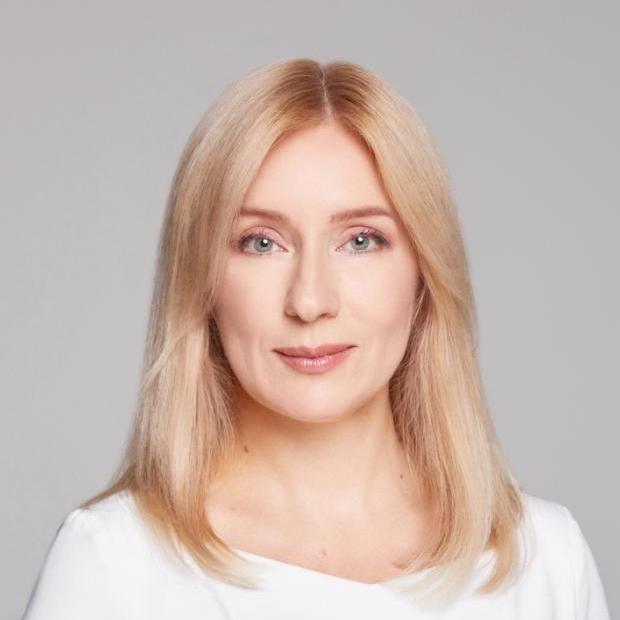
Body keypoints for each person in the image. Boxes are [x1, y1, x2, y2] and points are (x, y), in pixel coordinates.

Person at [21, 58, 610, 619]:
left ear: (425, 272)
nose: (309, 301)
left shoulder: (543, 561)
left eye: (360, 241)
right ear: (201, 279)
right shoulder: (115, 563)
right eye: (261, 242)